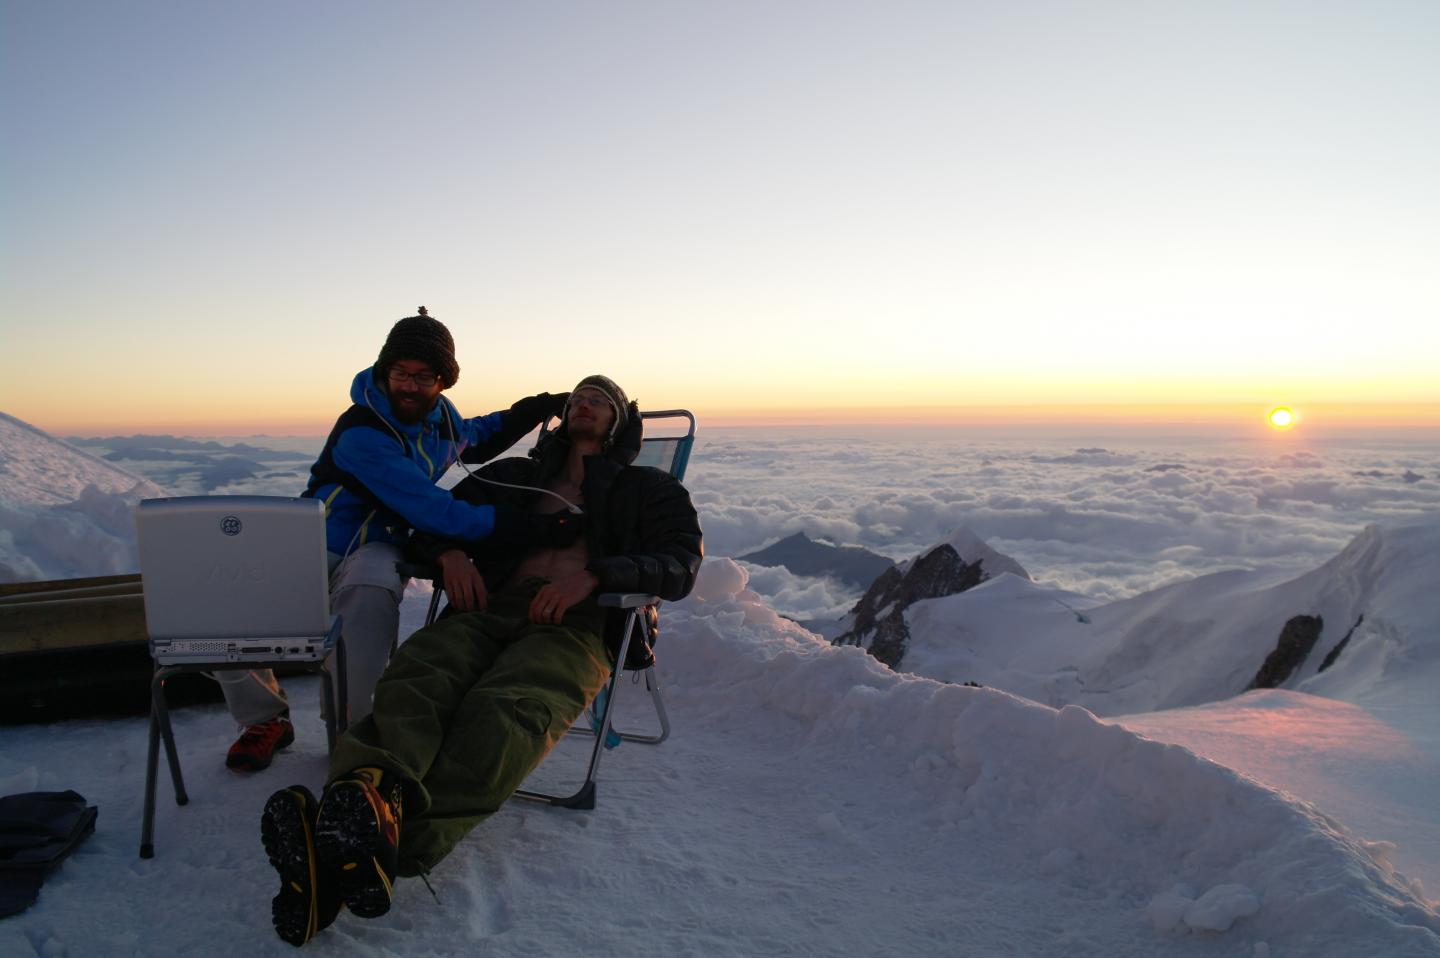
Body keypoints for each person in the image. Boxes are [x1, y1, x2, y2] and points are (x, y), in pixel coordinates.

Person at [257, 375, 703, 946]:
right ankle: (368, 790)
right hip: (486, 605)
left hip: (577, 623)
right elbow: (425, 520)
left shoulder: (647, 489)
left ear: (619, 422)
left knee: (506, 712)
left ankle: (365, 848)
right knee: (418, 679)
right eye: (576, 400)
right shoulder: (513, 478)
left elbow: (680, 564)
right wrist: (448, 553)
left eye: (599, 400)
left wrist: (595, 576)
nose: (583, 405)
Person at [221, 309, 582, 772]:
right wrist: (532, 528)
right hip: (318, 535)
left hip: (380, 542)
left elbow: (476, 435)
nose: (409, 385)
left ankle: (349, 730)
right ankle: (264, 718)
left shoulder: (439, 420)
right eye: (400, 373)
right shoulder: (362, 432)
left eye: (423, 376)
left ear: (442, 382)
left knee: (369, 601)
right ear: (383, 371)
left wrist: (533, 407)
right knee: (228, 610)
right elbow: (434, 510)